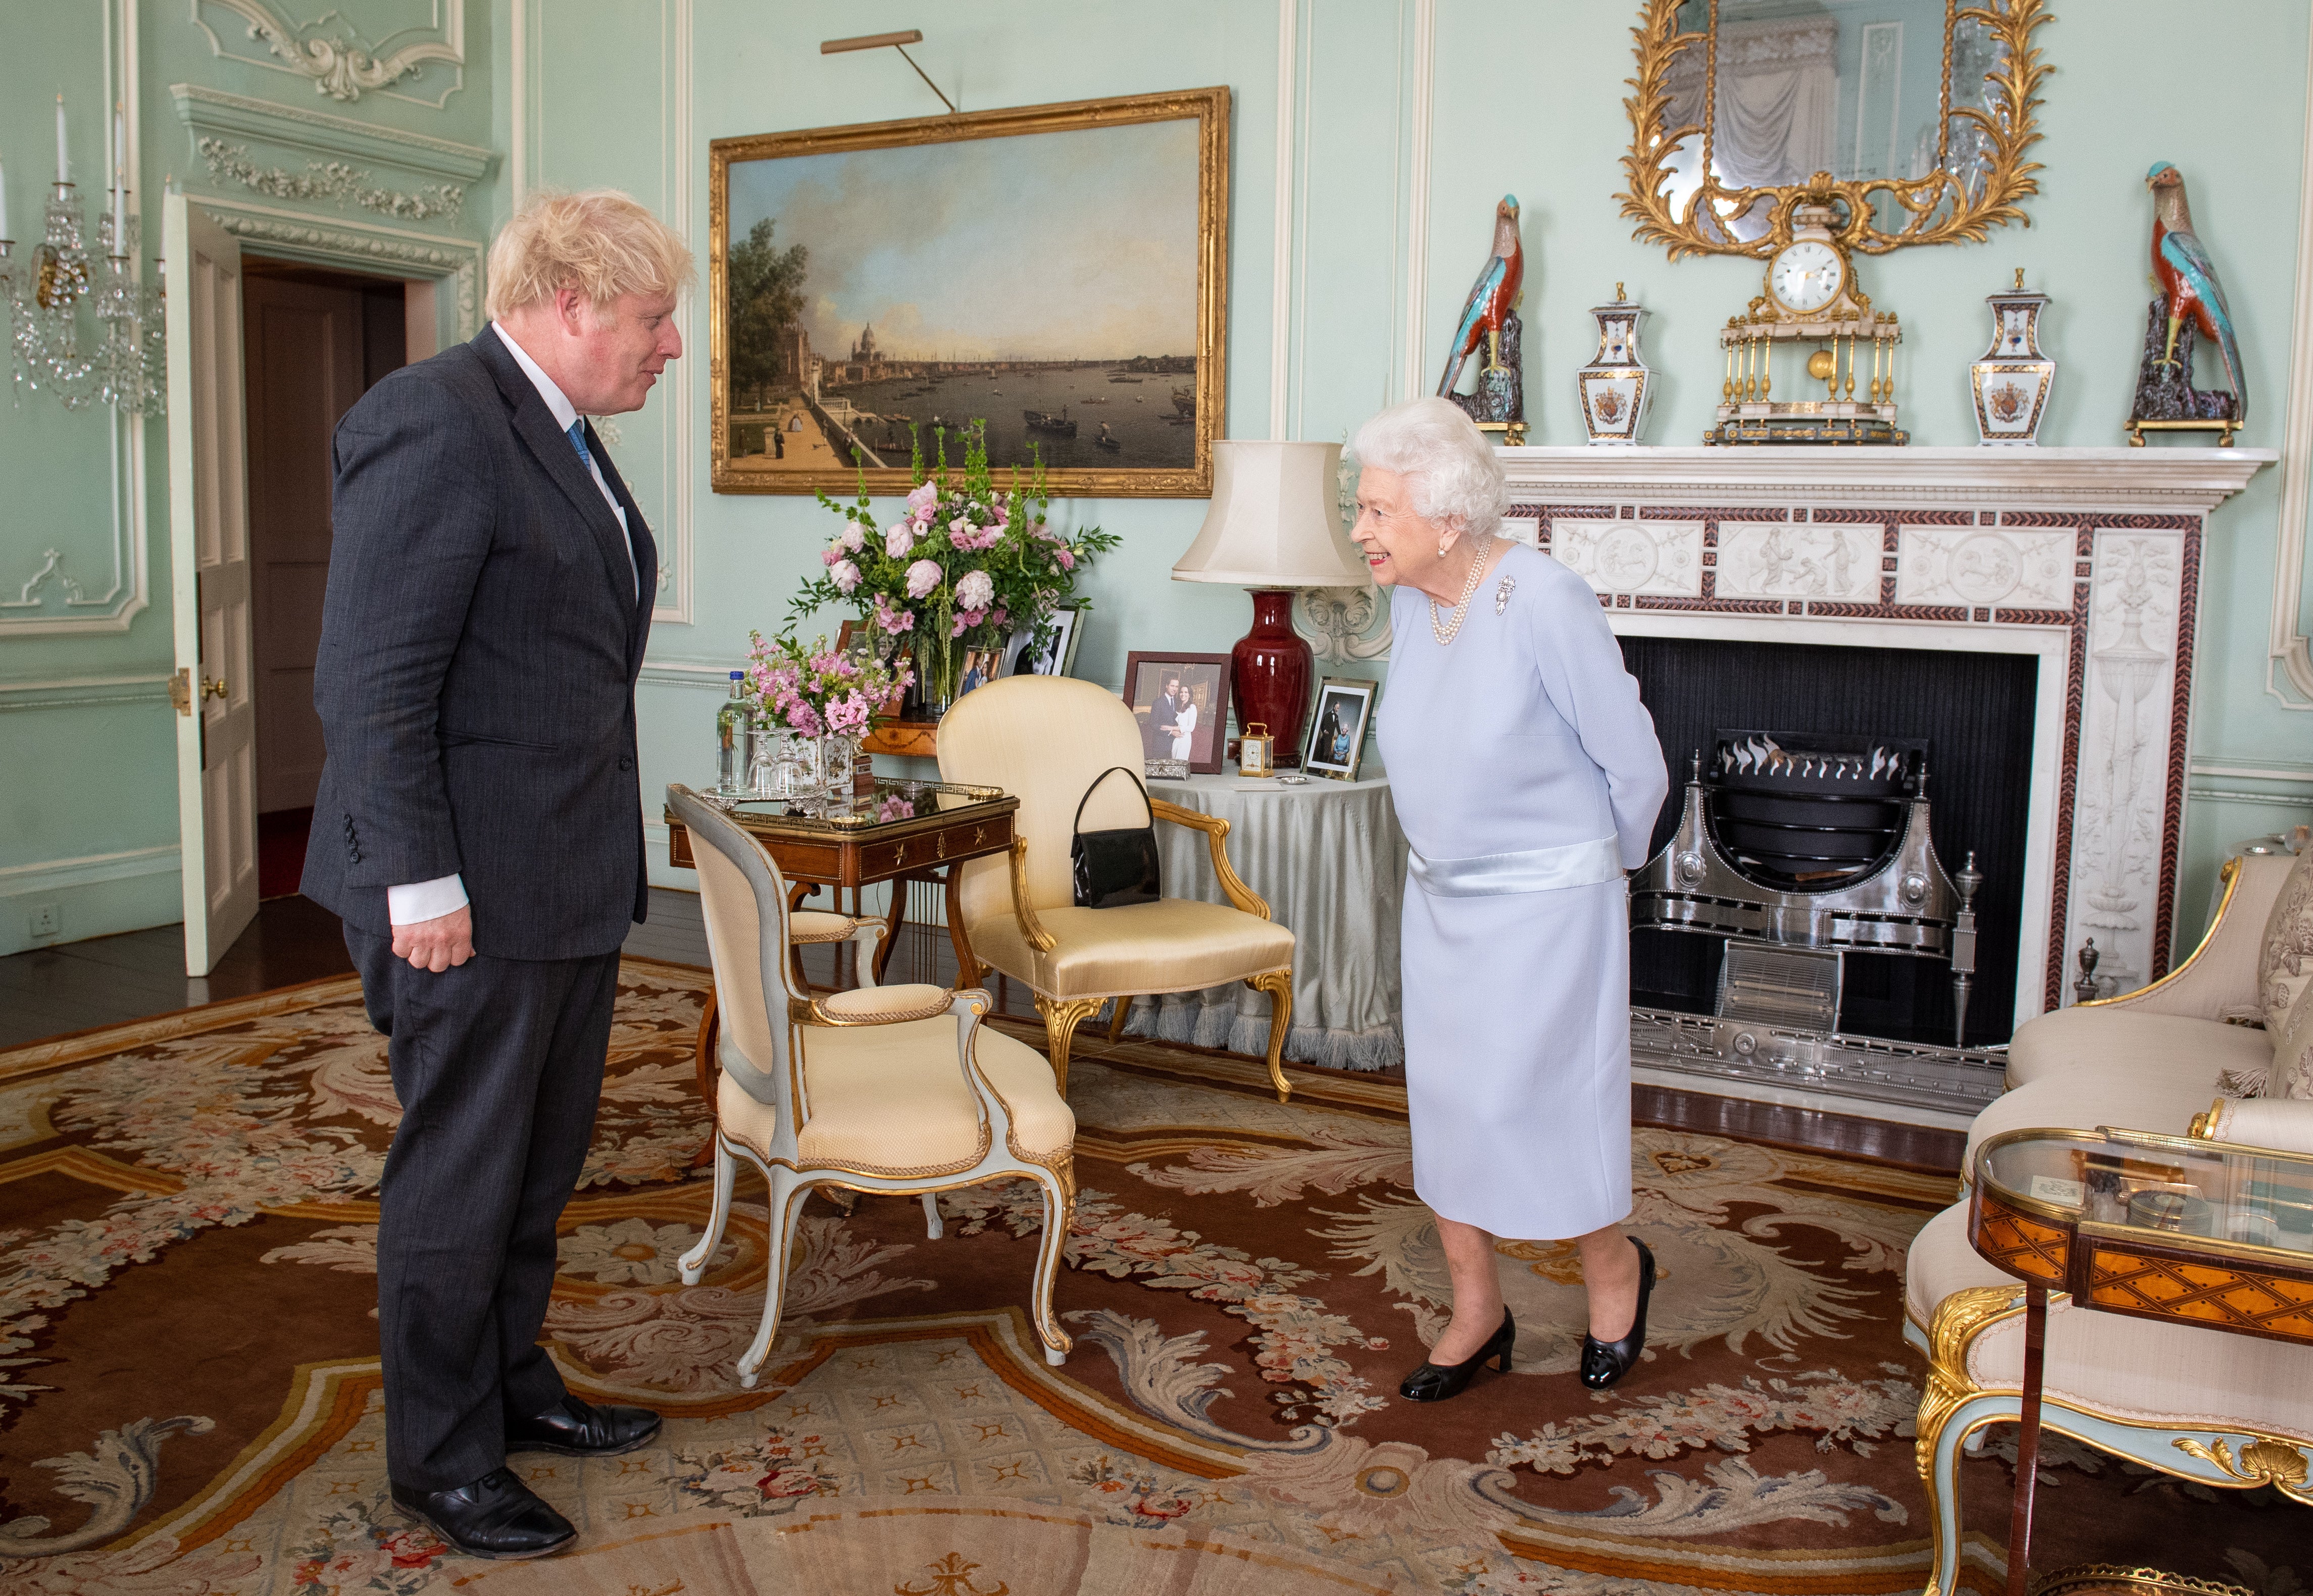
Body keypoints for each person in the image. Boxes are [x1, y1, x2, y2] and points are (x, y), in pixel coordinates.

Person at [301, 189, 693, 1559]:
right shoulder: (438, 419)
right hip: (461, 892)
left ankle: (511, 1387)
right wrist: (419, 887)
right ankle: (443, 1459)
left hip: (561, 876)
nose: (674, 346)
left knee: (534, 1169)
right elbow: (370, 684)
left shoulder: (559, 433)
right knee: (460, 1178)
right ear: (573, 300)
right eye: (655, 318)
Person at [1353, 397, 1669, 1403]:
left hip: (1548, 910)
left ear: (1444, 516)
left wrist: (1596, 871)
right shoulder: (1411, 597)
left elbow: (1636, 763)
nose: (1359, 530)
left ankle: (1614, 1271)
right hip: (1443, 902)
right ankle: (1477, 1307)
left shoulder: (1541, 596)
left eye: (1374, 511)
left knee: (1546, 1104)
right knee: (1451, 1109)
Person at [1169, 680, 1200, 761]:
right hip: (1176, 738)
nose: (1183, 694)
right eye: (1181, 692)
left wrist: (1173, 728)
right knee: (1174, 760)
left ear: (1190, 695)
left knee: (1180, 762)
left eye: (1186, 692)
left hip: (1185, 738)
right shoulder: (1178, 706)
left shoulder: (1192, 707)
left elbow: (1191, 728)